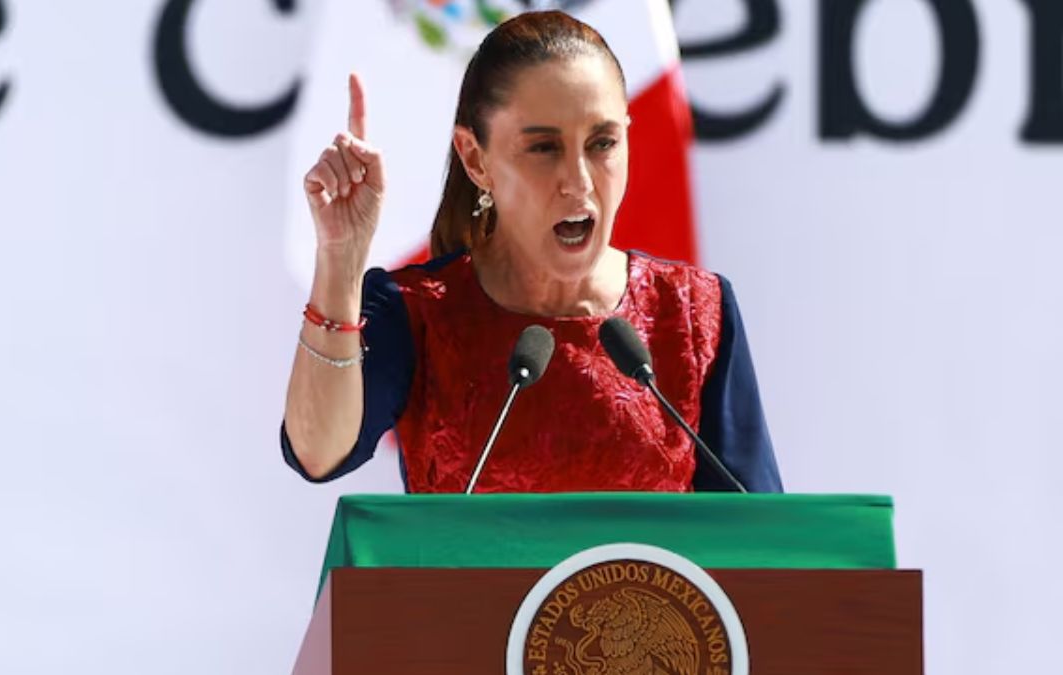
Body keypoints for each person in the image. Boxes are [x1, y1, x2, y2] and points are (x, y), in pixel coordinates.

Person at [281, 11, 782, 493]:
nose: (579, 181)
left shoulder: (695, 313)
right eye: (544, 148)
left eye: (603, 143)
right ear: (475, 159)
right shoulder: (419, 312)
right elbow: (317, 452)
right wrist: (340, 258)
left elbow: (762, 547)